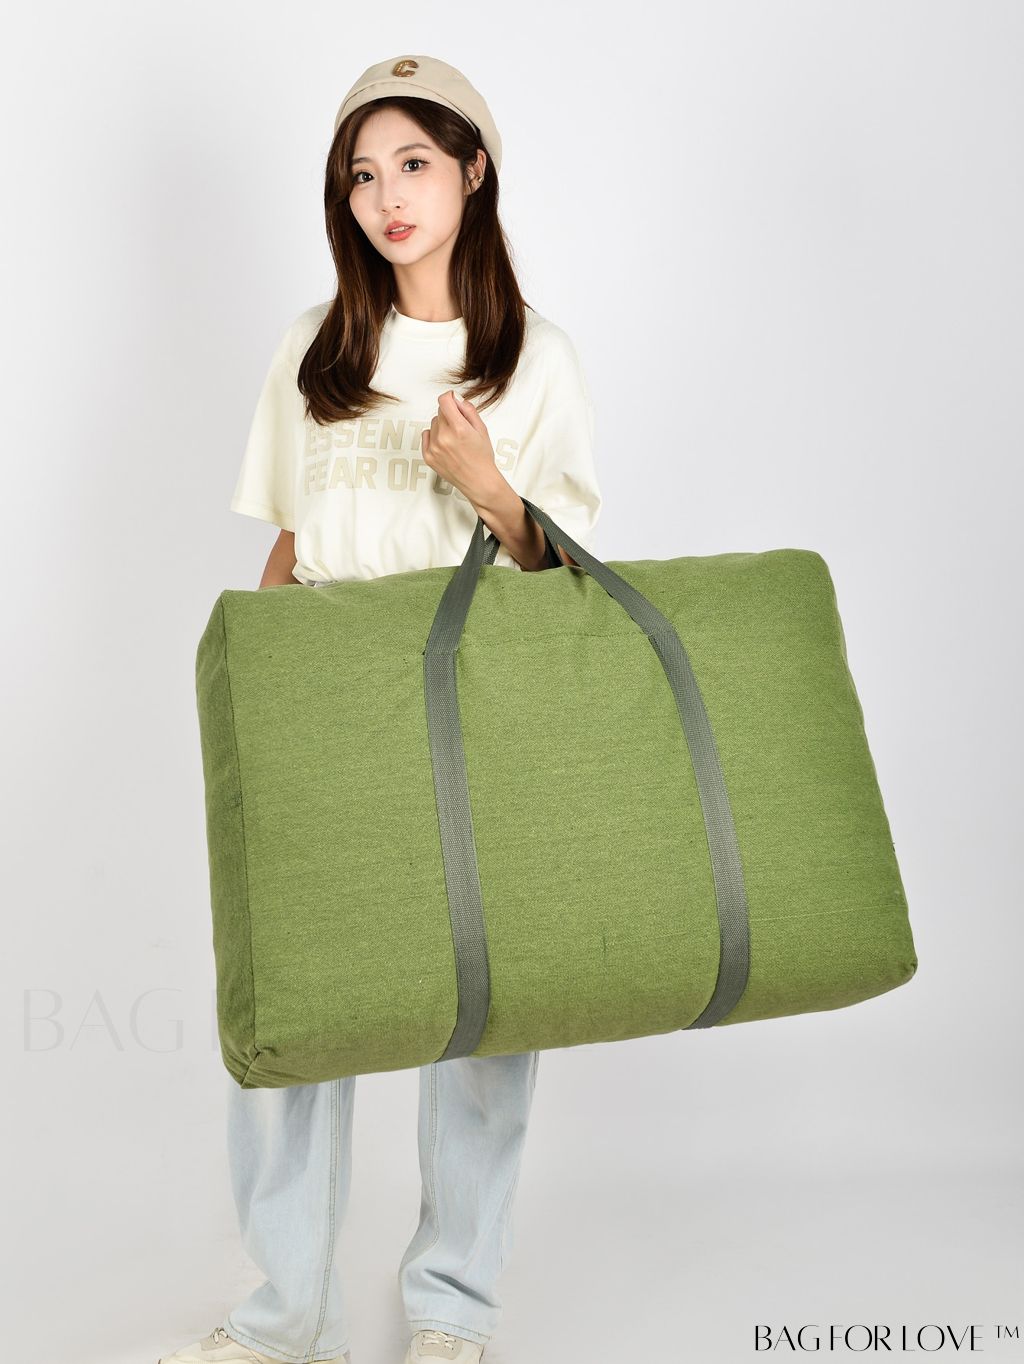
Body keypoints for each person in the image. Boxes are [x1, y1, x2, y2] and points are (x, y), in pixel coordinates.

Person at [162, 53, 602, 1364]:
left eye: (414, 163)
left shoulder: (535, 359)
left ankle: (451, 1309)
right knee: (300, 1011)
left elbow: (569, 577)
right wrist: (259, 705)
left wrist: (488, 483)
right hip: (331, 693)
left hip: (480, 701)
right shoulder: (320, 345)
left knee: (482, 1016)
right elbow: (292, 545)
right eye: (362, 175)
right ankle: (283, 1316)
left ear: (474, 170)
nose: (388, 197)